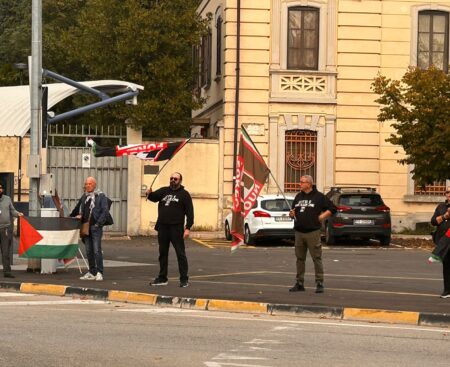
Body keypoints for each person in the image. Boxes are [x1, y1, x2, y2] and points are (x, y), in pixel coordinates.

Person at [288, 175, 336, 293]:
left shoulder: (319, 197)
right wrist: (291, 214)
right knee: (300, 259)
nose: (300, 184)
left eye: (302, 182)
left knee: (316, 258)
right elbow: (294, 211)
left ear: (309, 184)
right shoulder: (298, 197)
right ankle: (299, 283)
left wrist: (322, 217)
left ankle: (319, 282)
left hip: (313, 232)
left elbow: (332, 208)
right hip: (299, 232)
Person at [146, 172, 194, 288]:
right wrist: (149, 193)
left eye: (175, 179)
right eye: (171, 178)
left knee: (180, 254)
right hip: (163, 227)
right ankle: (162, 278)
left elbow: (190, 212)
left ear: (180, 181)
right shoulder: (163, 191)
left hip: (176, 228)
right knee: (163, 253)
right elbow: (152, 197)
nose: (173, 180)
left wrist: (187, 228)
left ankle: (184, 279)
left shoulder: (184, 195)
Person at [70, 177, 109, 281]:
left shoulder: (101, 196)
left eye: (90, 184)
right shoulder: (84, 197)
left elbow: (105, 211)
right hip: (86, 227)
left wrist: (98, 224)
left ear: (94, 185)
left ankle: (100, 272)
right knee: (88, 251)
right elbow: (77, 208)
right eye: (86, 184)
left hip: (95, 227)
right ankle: (92, 271)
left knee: (97, 250)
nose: (87, 186)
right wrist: (72, 217)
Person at [430, 186, 450, 299]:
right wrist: (445, 216)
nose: (449, 194)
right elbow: (433, 222)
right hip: (444, 241)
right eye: (447, 192)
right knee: (447, 265)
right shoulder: (441, 207)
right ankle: (447, 291)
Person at [0, 184, 23, 278]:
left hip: (5, 229)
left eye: (1, 188)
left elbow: (12, 210)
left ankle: (7, 272)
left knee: (5, 251)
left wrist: (18, 214)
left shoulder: (7, 199)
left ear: (3, 189)